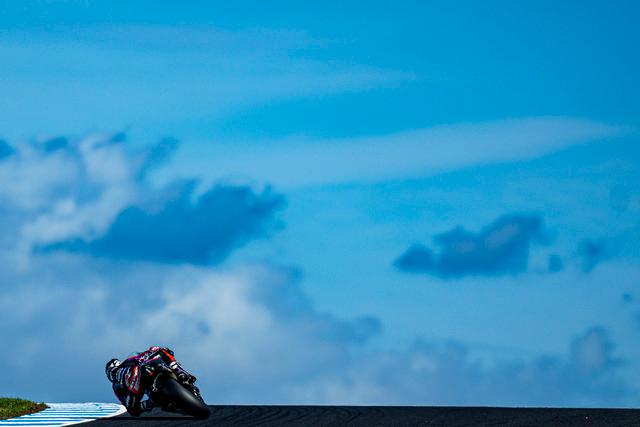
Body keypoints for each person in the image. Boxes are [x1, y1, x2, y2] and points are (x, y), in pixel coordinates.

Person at [105, 346, 197, 416]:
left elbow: (144, 355)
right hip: (145, 388)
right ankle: (153, 401)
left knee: (162, 352)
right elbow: (130, 407)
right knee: (139, 407)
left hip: (151, 368)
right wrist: (144, 404)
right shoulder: (117, 385)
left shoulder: (129, 361)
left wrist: (153, 351)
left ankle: (180, 372)